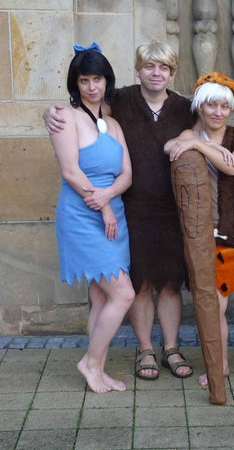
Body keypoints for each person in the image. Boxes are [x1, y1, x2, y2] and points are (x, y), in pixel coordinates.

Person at [44, 40, 230, 404]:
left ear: (172, 73)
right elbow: (77, 121)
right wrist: (48, 113)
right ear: (138, 70)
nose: (156, 73)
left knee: (171, 285)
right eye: (149, 66)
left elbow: (211, 122)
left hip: (173, 208)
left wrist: (232, 136)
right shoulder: (122, 102)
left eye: (163, 68)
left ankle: (170, 348)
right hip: (129, 209)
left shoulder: (181, 107)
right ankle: (144, 349)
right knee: (138, 285)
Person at [165, 72, 234, 388]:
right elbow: (169, 147)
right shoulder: (190, 134)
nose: (217, 112)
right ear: (200, 106)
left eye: (224, 106)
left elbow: (232, 165)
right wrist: (193, 141)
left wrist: (198, 147)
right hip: (217, 233)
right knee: (216, 303)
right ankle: (222, 364)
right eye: (211, 105)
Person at [50, 43, 135, 393]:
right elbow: (70, 171)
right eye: (84, 80)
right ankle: (89, 362)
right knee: (123, 295)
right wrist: (100, 205)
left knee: (101, 297)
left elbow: (127, 174)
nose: (91, 86)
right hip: (83, 214)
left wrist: (109, 198)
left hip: (113, 213)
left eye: (97, 78)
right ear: (75, 83)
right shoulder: (65, 117)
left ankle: (97, 369)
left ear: (107, 80)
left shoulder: (113, 123)